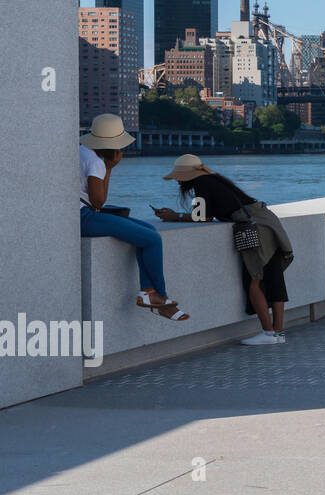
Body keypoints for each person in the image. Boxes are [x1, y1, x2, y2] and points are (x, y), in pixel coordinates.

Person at [155, 154, 293, 346]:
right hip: (267, 222)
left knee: (254, 281)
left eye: (179, 176)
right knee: (274, 279)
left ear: (187, 175)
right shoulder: (214, 179)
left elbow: (203, 217)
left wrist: (174, 216)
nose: (177, 180)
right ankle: (278, 333)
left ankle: (268, 333)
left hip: (255, 229)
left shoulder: (202, 183)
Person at [79, 114, 189, 322]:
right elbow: (98, 202)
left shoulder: (81, 152)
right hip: (84, 217)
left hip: (75, 214)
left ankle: (148, 293)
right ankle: (161, 298)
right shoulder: (96, 163)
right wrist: (109, 168)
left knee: (149, 232)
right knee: (153, 239)